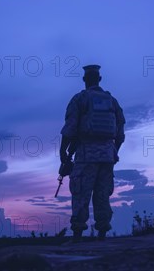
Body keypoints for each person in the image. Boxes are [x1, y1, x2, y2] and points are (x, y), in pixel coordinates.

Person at [59, 64, 125, 242]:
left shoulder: (80, 99)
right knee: (103, 195)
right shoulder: (112, 101)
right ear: (100, 79)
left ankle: (78, 234)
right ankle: (102, 232)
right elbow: (120, 133)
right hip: (107, 156)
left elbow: (70, 128)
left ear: (84, 80)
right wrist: (114, 152)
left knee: (81, 194)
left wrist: (63, 152)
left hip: (86, 155)